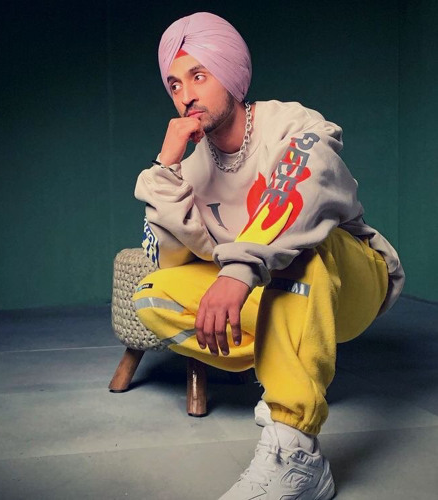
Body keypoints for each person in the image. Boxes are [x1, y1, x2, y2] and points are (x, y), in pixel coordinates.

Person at [133, 11, 404, 500]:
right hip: (279, 295)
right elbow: (172, 259)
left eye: (199, 75)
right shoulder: (191, 168)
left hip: (351, 281)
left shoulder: (294, 124)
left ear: (231, 74)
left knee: (302, 254)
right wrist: (165, 168)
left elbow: (303, 189)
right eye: (174, 84)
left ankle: (297, 452)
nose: (186, 94)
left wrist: (237, 272)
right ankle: (283, 369)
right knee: (154, 295)